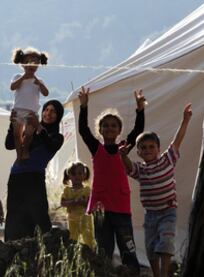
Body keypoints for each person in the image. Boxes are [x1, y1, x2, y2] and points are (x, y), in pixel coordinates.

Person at [119, 104, 192, 277]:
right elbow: (129, 167)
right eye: (143, 148)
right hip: (150, 214)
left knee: (166, 242)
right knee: (151, 247)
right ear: (138, 152)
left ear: (159, 148)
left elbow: (178, 140)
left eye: (152, 146)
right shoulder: (141, 169)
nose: (148, 150)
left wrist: (185, 121)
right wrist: (123, 156)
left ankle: (165, 272)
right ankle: (157, 274)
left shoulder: (168, 160)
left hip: (168, 211)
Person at [78, 86, 145, 272]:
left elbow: (138, 129)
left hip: (121, 205)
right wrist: (84, 106)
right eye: (105, 125)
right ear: (99, 129)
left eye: (113, 126)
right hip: (101, 206)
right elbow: (83, 130)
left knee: (127, 244)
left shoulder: (123, 148)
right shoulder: (96, 148)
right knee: (104, 245)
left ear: (119, 131)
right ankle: (104, 271)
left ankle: (131, 271)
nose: (109, 128)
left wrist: (140, 109)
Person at [5, 99, 64, 241]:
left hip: (35, 177)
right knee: (15, 214)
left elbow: (50, 146)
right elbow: (9, 144)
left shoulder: (57, 137)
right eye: (46, 110)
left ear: (58, 116)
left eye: (53, 111)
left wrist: (38, 127)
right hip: (17, 176)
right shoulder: (29, 130)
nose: (48, 113)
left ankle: (42, 251)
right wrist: (12, 124)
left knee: (38, 215)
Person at [10, 47, 49, 161]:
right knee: (17, 135)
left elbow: (46, 93)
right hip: (18, 110)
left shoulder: (38, 80)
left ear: (38, 66)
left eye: (35, 63)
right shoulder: (18, 77)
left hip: (31, 112)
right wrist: (23, 77)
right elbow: (12, 87)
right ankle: (19, 154)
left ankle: (25, 149)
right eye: (28, 62)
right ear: (22, 64)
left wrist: (40, 84)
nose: (31, 65)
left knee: (29, 134)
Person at [60, 162, 96, 250]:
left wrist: (83, 202)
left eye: (79, 173)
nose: (77, 176)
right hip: (72, 219)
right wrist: (74, 202)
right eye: (73, 174)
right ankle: (74, 256)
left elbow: (90, 203)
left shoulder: (86, 190)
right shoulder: (67, 190)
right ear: (69, 176)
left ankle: (91, 255)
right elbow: (63, 203)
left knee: (88, 238)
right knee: (73, 239)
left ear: (84, 175)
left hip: (85, 219)